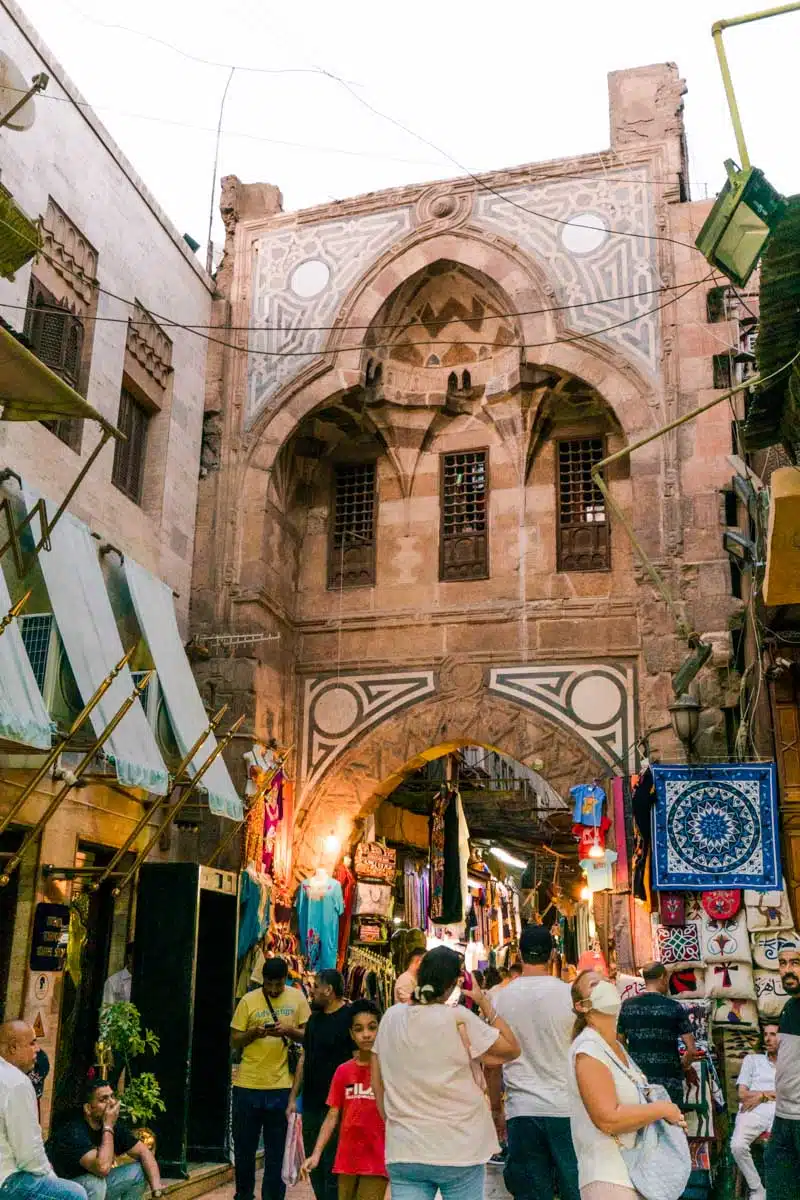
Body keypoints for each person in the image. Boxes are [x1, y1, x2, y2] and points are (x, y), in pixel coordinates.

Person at [371, 946, 520, 1200]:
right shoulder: (458, 1018)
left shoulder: (391, 1018)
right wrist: (484, 1001)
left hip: (406, 1148)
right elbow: (512, 1048)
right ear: (454, 984)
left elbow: (377, 1081)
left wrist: (393, 1121)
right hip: (459, 1147)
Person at [569, 969, 687, 1199]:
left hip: (632, 1173)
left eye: (605, 980)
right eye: (594, 984)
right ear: (581, 1006)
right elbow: (608, 1119)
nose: (603, 985)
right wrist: (662, 1109)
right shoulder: (589, 1049)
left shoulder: (615, 1047)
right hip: (608, 1177)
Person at [488, 925, 579, 1200]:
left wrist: (495, 1108)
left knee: (530, 1193)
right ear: (553, 954)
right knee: (574, 1189)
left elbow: (491, 1063)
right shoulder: (570, 996)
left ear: (519, 953)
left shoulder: (500, 999)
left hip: (522, 1110)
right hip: (566, 1108)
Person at [230, 956, 310, 1200]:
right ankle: (243, 1195)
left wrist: (288, 1031)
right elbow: (234, 1039)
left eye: (278, 985)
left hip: (281, 1088)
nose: (273, 990)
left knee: (276, 1154)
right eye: (269, 985)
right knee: (244, 1151)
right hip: (247, 1086)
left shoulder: (297, 998)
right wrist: (253, 1033)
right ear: (262, 980)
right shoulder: (248, 1001)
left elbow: (309, 1037)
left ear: (285, 980)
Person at [302, 1001, 387, 1200]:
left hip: (377, 1159)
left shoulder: (389, 1071)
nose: (366, 1034)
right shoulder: (343, 1071)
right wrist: (316, 1154)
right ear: (351, 1034)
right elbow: (332, 1115)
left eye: (372, 1027)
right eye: (359, 1029)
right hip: (346, 1160)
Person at [0, 1020, 86, 1200]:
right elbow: (29, 1155)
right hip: (7, 1182)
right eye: (32, 1043)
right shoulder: (16, 1082)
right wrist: (50, 1176)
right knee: (75, 1194)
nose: (37, 1049)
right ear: (13, 1048)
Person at [288, 971, 352, 1200]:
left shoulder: (349, 1018)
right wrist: (294, 1096)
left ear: (329, 990)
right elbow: (305, 1057)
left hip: (339, 1107)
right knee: (315, 1167)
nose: (311, 990)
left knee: (333, 1167)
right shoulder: (314, 1020)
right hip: (313, 1105)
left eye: (315, 986)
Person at [47, 1082, 162, 1200]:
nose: (112, 1103)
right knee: (96, 1183)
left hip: (90, 1190)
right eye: (103, 1100)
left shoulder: (112, 1125)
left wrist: (157, 1192)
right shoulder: (74, 1130)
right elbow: (102, 1168)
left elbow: (144, 1152)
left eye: (112, 1096)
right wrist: (108, 1126)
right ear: (88, 1108)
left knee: (139, 1170)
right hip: (58, 1191)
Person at [617, 962, 698, 1106]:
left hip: (639, 1083)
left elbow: (620, 1043)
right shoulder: (674, 1007)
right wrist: (683, 1065)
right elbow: (691, 1049)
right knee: (672, 1126)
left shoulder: (628, 1006)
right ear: (663, 977)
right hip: (669, 1083)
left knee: (643, 1126)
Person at [765, 945, 800, 1200]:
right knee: (780, 1187)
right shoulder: (789, 1007)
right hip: (784, 1114)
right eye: (783, 963)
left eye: (795, 963)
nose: (788, 970)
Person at [731, 1024, 778, 1200]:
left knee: (782, 1150)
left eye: (773, 1034)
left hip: (780, 1110)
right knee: (737, 1145)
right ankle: (757, 1189)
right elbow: (742, 1094)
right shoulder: (753, 1060)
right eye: (766, 1034)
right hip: (753, 1108)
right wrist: (765, 1095)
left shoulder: (792, 1063)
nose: (768, 1038)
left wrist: (761, 1095)